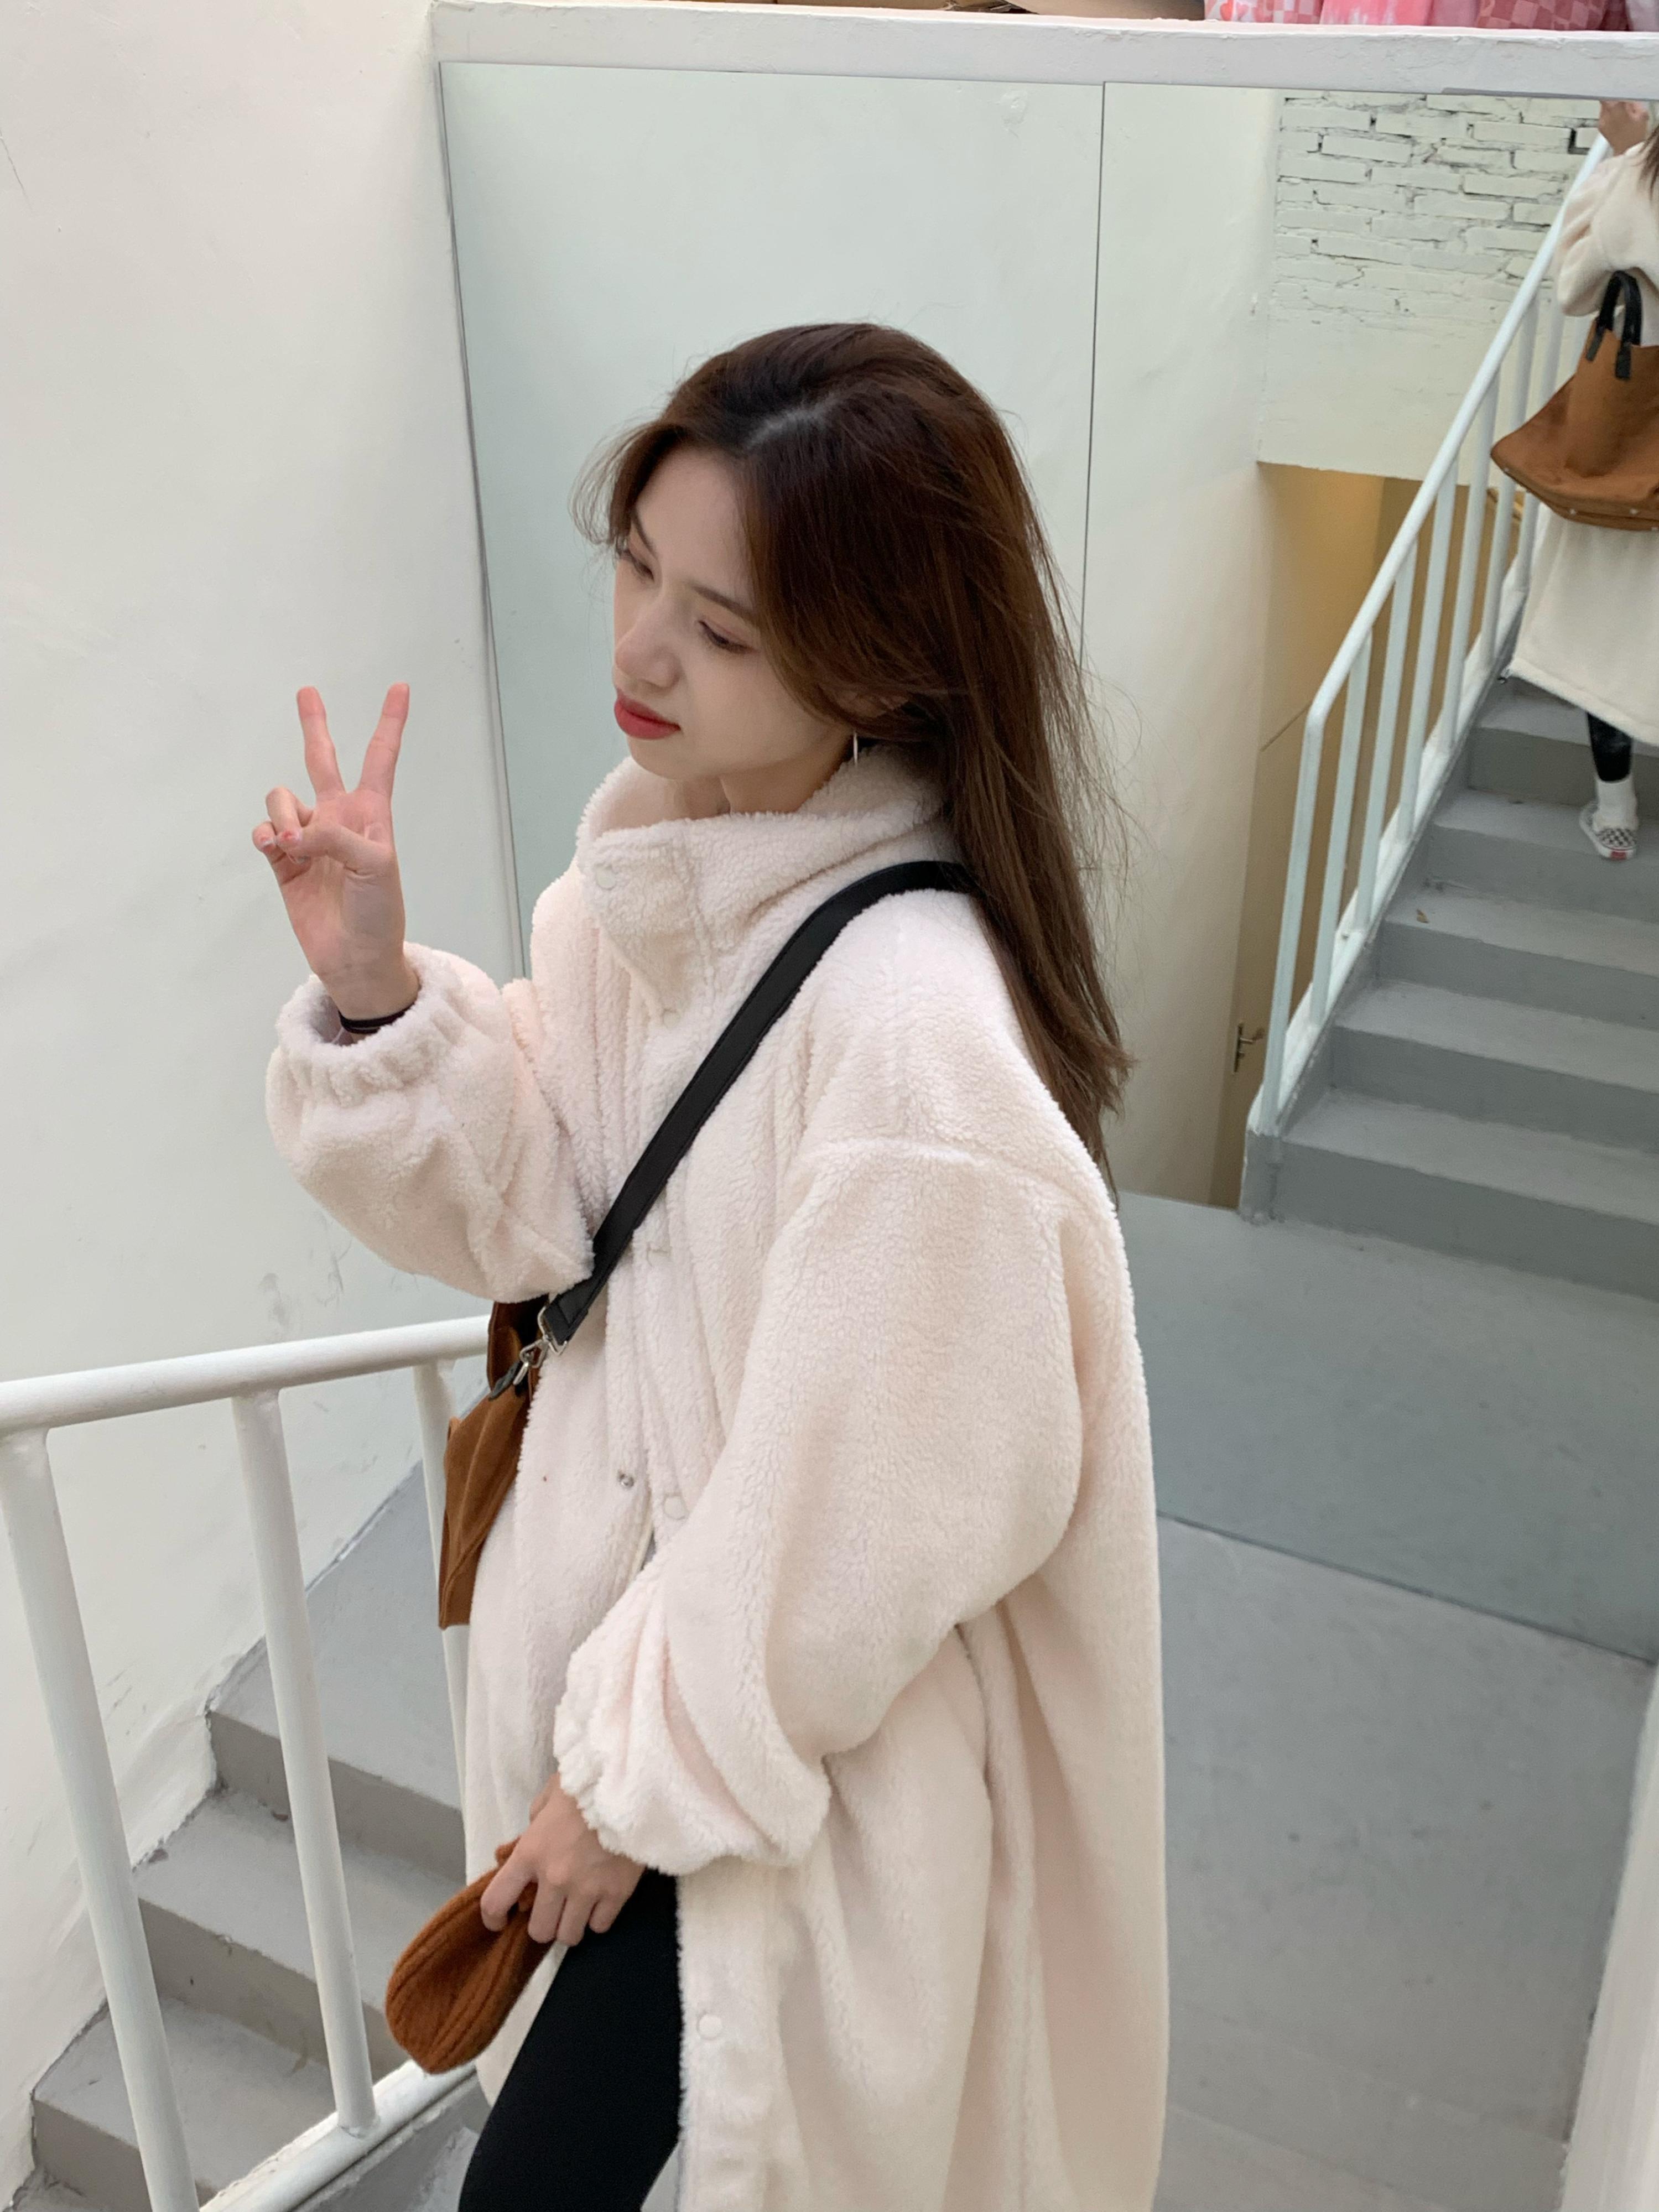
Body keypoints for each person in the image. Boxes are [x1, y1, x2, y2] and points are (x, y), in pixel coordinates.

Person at [252, 324, 1168, 2212]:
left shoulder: (914, 1045)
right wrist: (378, 996)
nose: (644, 651)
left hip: (782, 1762)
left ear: (880, 668)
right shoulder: (647, 899)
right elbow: (545, 1220)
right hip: (672, 1716)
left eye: (724, 628)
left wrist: (626, 1787)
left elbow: (877, 1515)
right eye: (636, 566)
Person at [1509, 100, 1659, 861]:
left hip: (1626, 447)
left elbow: (1573, 287)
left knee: (1604, 633)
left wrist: (1627, 154)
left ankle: (1616, 812)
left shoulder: (1640, 182)